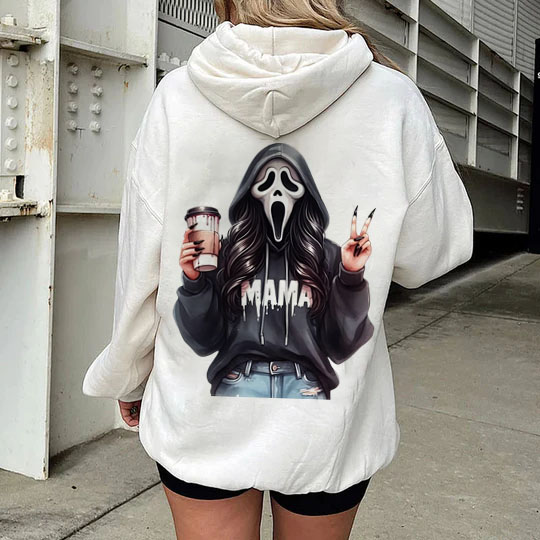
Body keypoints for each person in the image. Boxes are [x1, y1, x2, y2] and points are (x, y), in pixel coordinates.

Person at [83, 1, 474, 538]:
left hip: (204, 417)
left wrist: (129, 372)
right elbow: (431, 254)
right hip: (329, 426)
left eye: (289, 185)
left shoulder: (176, 98)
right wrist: (198, 281)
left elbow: (139, 272)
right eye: (266, 184)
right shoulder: (392, 97)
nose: (277, 195)